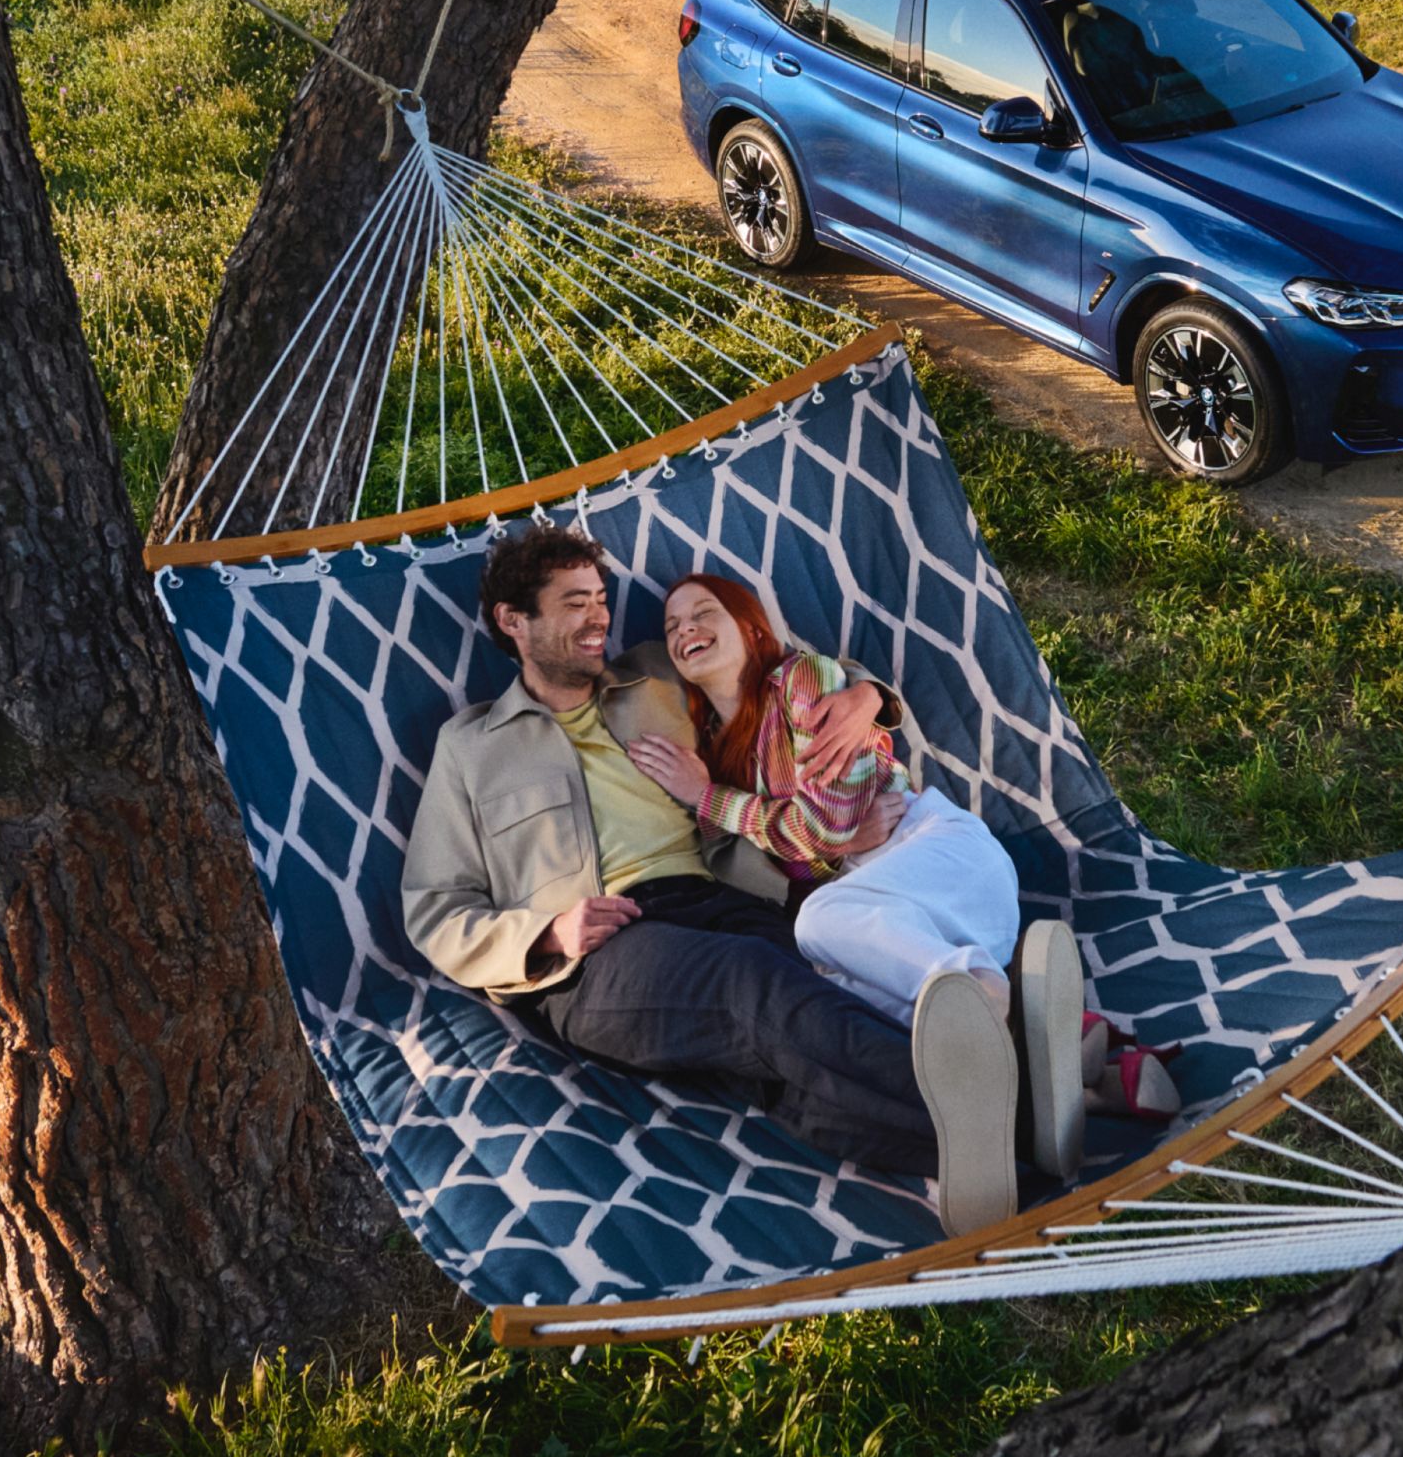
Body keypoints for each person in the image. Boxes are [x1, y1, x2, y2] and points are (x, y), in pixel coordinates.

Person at [399, 524, 1023, 1234]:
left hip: (723, 899)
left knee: (817, 1024)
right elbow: (434, 907)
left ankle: (999, 1135)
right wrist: (545, 930)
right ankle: (1007, 1110)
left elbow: (767, 668)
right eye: (575, 603)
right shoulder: (471, 745)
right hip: (603, 951)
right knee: (753, 983)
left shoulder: (652, 676)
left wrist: (866, 697)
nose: (599, 615)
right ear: (515, 621)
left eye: (600, 599)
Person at [625, 572, 1086, 1183]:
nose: (686, 630)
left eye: (704, 612)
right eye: (672, 626)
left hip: (940, 859)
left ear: (751, 626)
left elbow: (822, 825)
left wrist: (709, 800)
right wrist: (817, 839)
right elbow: (819, 842)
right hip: (904, 926)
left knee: (818, 923)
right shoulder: (718, 749)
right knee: (831, 990)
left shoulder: (801, 680)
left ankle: (990, 998)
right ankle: (1054, 1078)